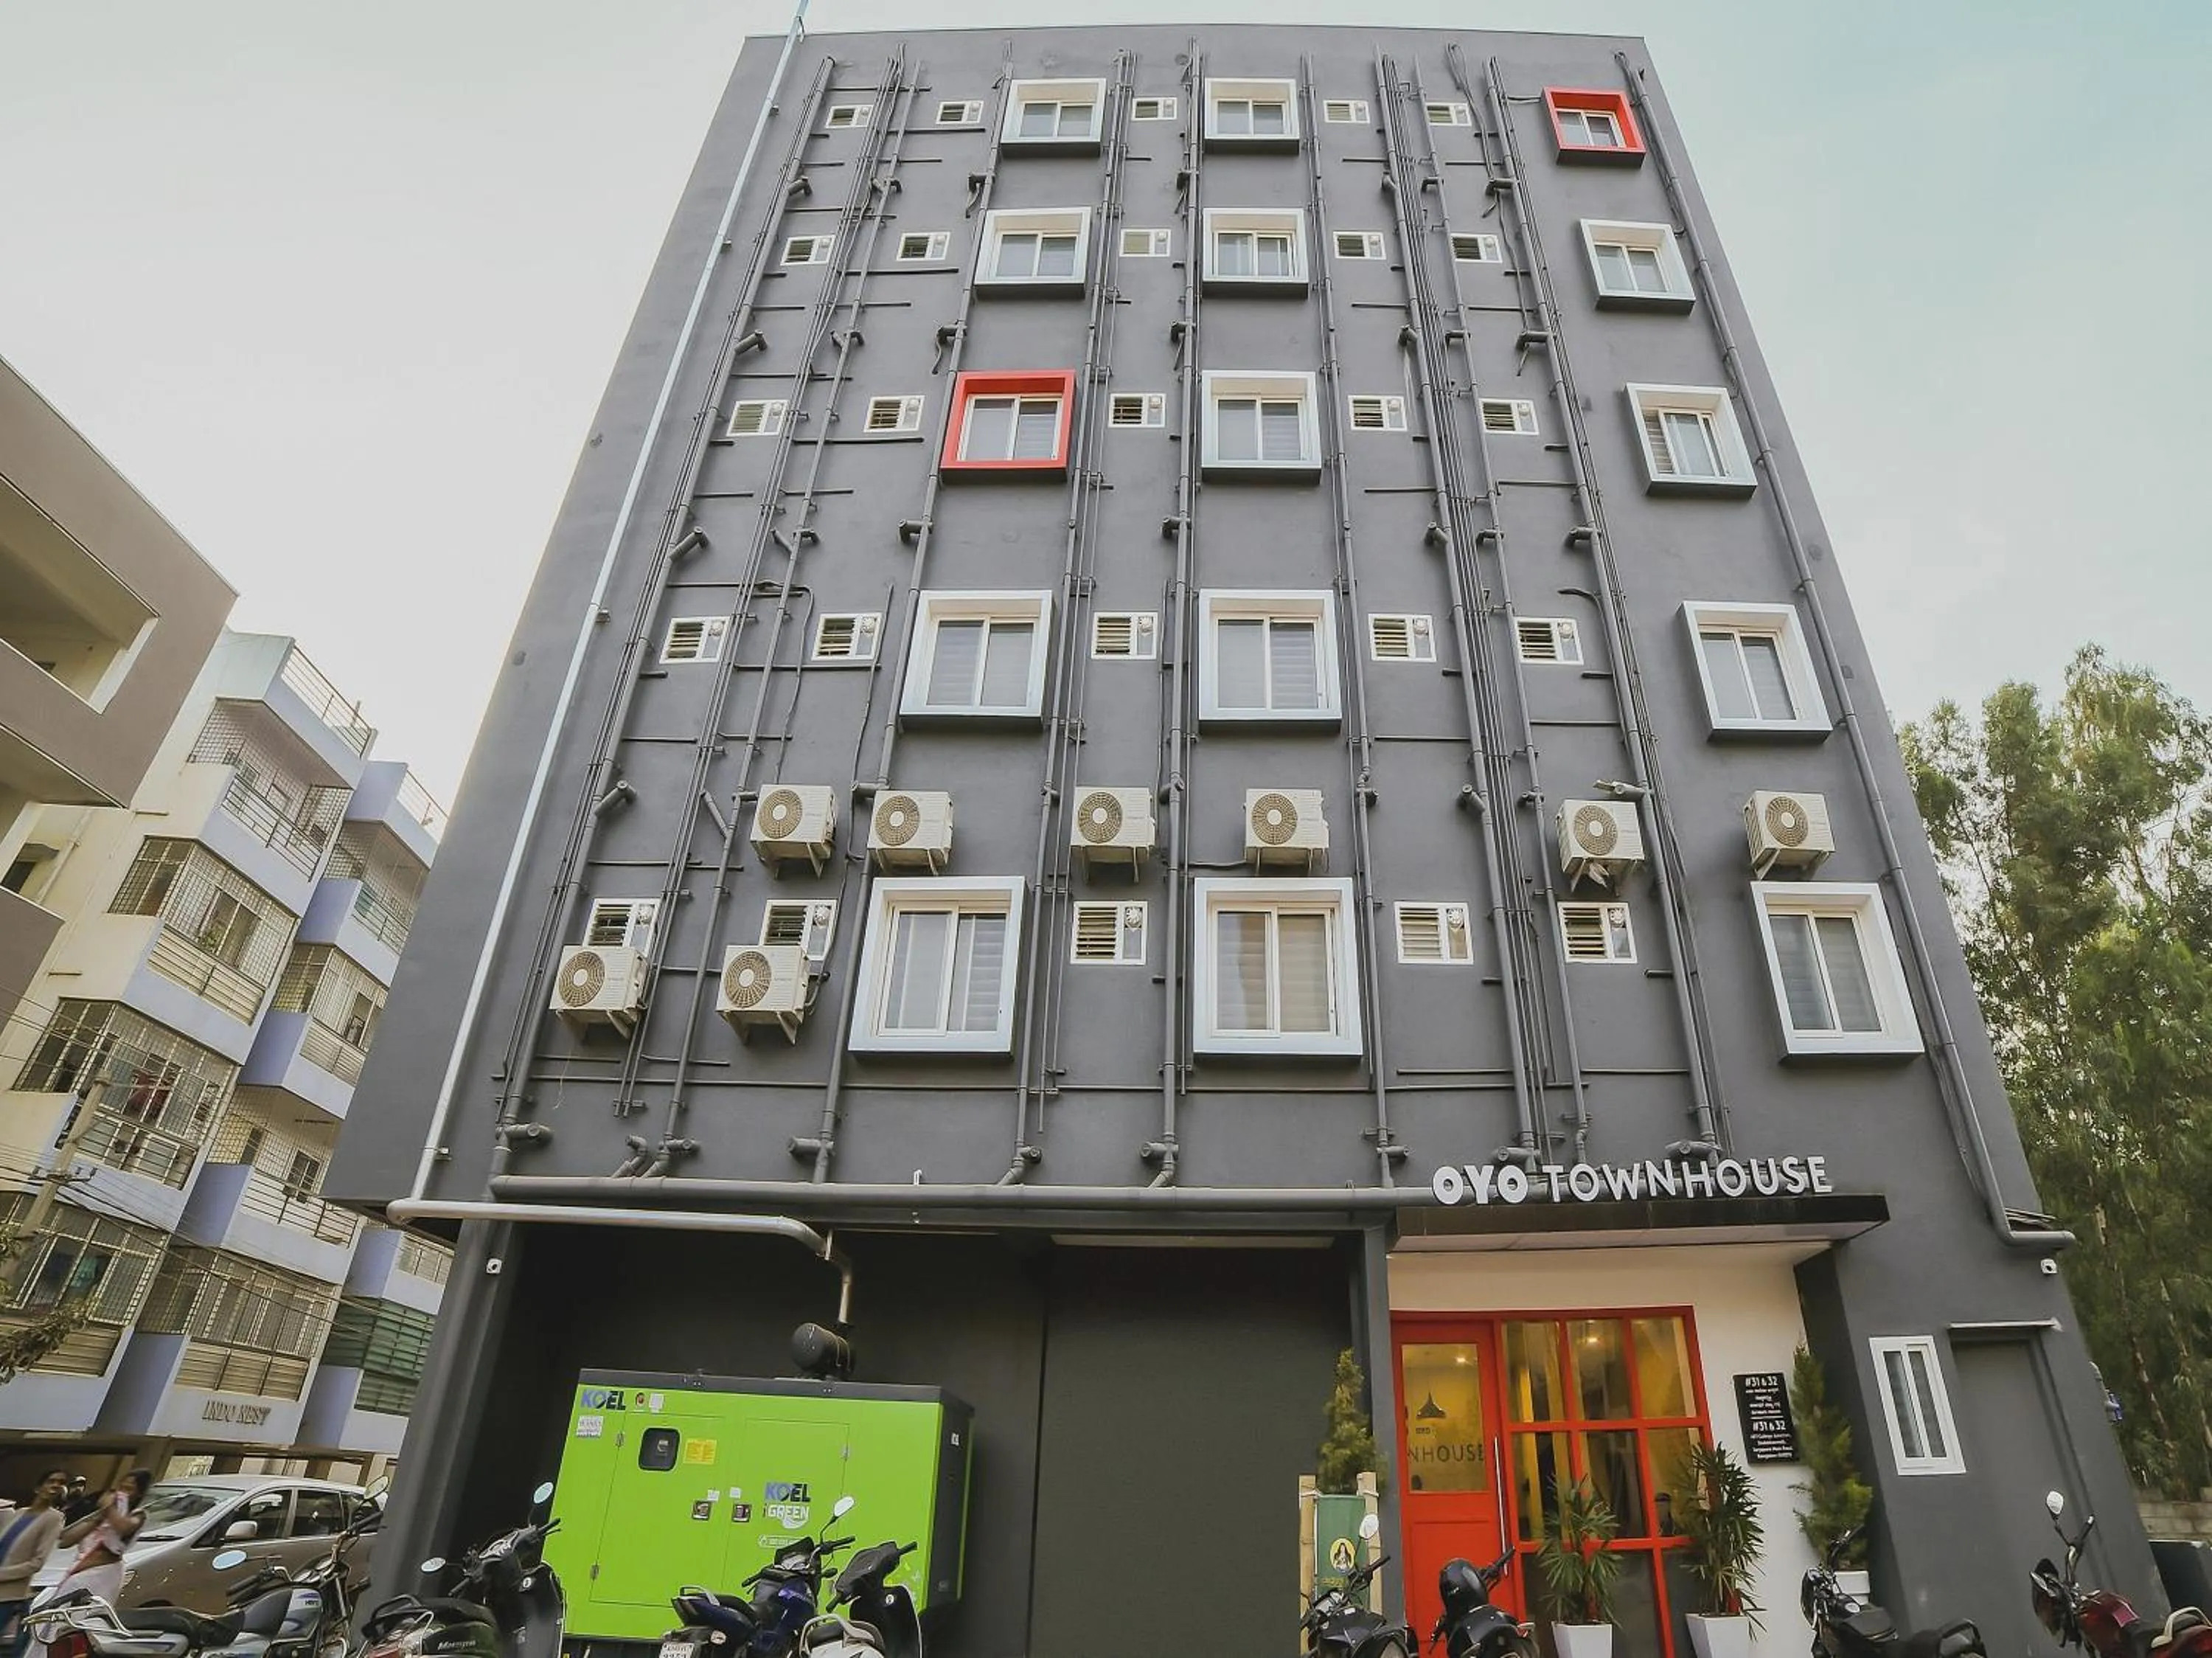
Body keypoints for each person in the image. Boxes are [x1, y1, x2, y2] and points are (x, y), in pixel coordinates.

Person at [26, 1468, 150, 1652]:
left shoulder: (138, 1516)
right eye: (121, 1487)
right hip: (76, 1576)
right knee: (52, 1623)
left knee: (77, 1627)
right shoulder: (103, 1516)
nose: (122, 1493)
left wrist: (109, 1508)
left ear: (139, 1493)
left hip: (100, 1578)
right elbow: (66, 1541)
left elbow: (123, 1528)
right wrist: (98, 1516)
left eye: (129, 1489)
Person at [0, 1473, 68, 1658]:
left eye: (60, 1483)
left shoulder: (54, 1518)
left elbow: (36, 1563)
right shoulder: (19, 1513)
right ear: (38, 1488)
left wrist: (3, 1574)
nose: (55, 1485)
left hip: (10, 1593)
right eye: (51, 1481)